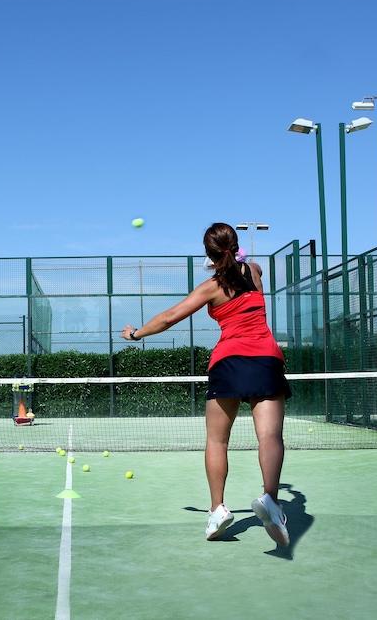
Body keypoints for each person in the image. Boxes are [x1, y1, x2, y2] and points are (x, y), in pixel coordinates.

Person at [121, 222, 290, 544]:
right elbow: (244, 266)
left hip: (228, 361)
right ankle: (270, 497)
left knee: (217, 441)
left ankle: (217, 510)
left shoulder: (210, 288)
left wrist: (136, 334)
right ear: (236, 246)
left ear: (209, 253)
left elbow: (169, 317)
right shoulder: (254, 271)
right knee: (270, 436)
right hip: (267, 359)